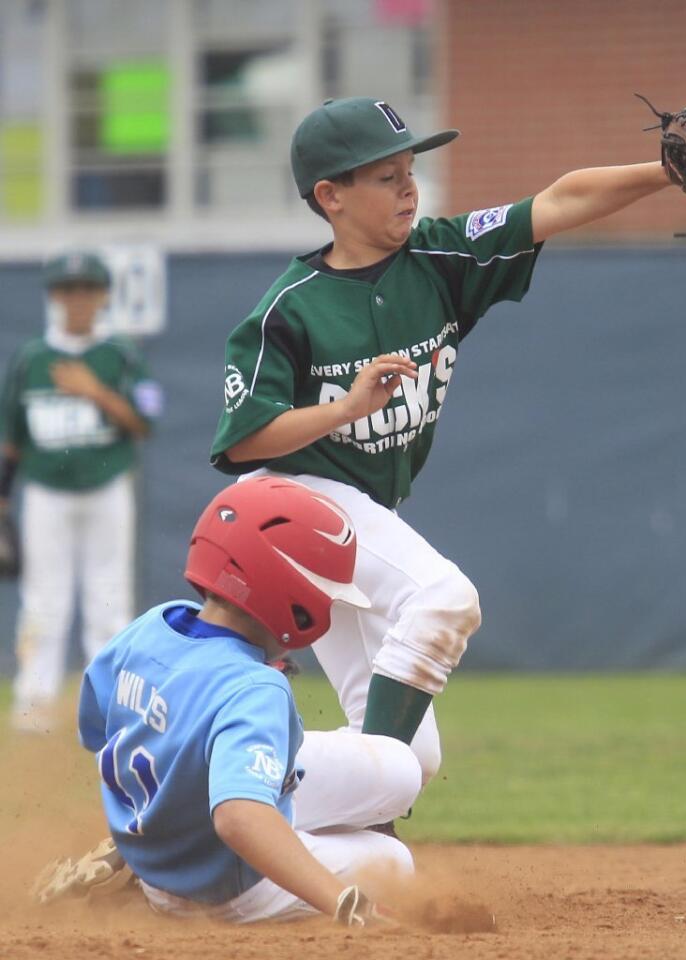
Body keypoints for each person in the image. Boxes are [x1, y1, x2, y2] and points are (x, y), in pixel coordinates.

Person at [209, 96, 676, 788]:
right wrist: (344, 410)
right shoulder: (291, 304)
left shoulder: (440, 256)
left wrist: (668, 172)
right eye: (385, 176)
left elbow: (557, 200)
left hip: (360, 518)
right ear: (329, 196)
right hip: (285, 507)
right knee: (442, 598)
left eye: (409, 170)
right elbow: (244, 442)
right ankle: (271, 801)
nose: (408, 187)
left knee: (409, 760)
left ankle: (221, 796)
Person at [34, 475, 420, 925]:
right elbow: (239, 819)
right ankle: (268, 850)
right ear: (291, 592)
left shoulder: (150, 627)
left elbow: (96, 728)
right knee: (395, 861)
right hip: (230, 890)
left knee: (401, 768)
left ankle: (144, 860)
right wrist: (343, 902)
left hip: (155, 845)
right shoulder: (255, 687)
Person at [0, 252, 161, 732]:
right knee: (43, 596)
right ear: (54, 297)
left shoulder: (121, 355)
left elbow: (146, 421)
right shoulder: (32, 358)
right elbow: (11, 439)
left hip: (107, 485)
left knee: (108, 593)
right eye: (68, 290)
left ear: (103, 296)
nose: (77, 300)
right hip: (46, 491)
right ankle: (34, 697)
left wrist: (96, 391)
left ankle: (111, 701)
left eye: (87, 290)